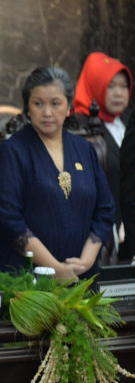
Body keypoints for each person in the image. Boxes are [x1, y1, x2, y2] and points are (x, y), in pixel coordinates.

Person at [0, 66, 115, 279]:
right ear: (28, 107)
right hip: (24, 285)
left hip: (82, 279)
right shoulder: (11, 152)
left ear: (69, 107)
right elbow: (5, 218)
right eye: (38, 103)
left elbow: (105, 209)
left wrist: (85, 262)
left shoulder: (85, 150)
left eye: (55, 103)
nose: (47, 112)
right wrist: (54, 269)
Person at [73, 52, 132, 259]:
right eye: (110, 85)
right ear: (95, 84)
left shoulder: (125, 122)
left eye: (123, 86)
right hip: (102, 234)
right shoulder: (80, 128)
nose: (119, 93)